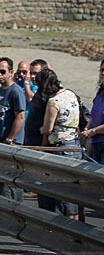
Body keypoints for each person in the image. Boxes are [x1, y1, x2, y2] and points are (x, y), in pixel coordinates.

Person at [37, 68, 81, 218]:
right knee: (71, 190)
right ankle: (74, 223)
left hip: (60, 147)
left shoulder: (53, 101)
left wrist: (41, 128)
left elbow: (48, 128)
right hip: (74, 145)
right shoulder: (70, 94)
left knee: (61, 190)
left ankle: (66, 227)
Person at [0, 57, 26, 201]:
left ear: (11, 72)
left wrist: (10, 138)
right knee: (0, 181)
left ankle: (18, 212)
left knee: (11, 182)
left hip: (11, 143)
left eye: (2, 71)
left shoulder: (16, 91)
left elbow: (20, 117)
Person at [80, 59, 104, 164]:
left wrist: (93, 131)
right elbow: (95, 115)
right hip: (95, 143)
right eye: (102, 70)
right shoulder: (100, 93)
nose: (103, 73)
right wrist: (87, 127)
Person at [22, 59, 49, 147]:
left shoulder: (47, 93)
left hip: (40, 138)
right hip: (29, 135)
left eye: (36, 73)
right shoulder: (39, 91)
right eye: (31, 73)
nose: (33, 76)